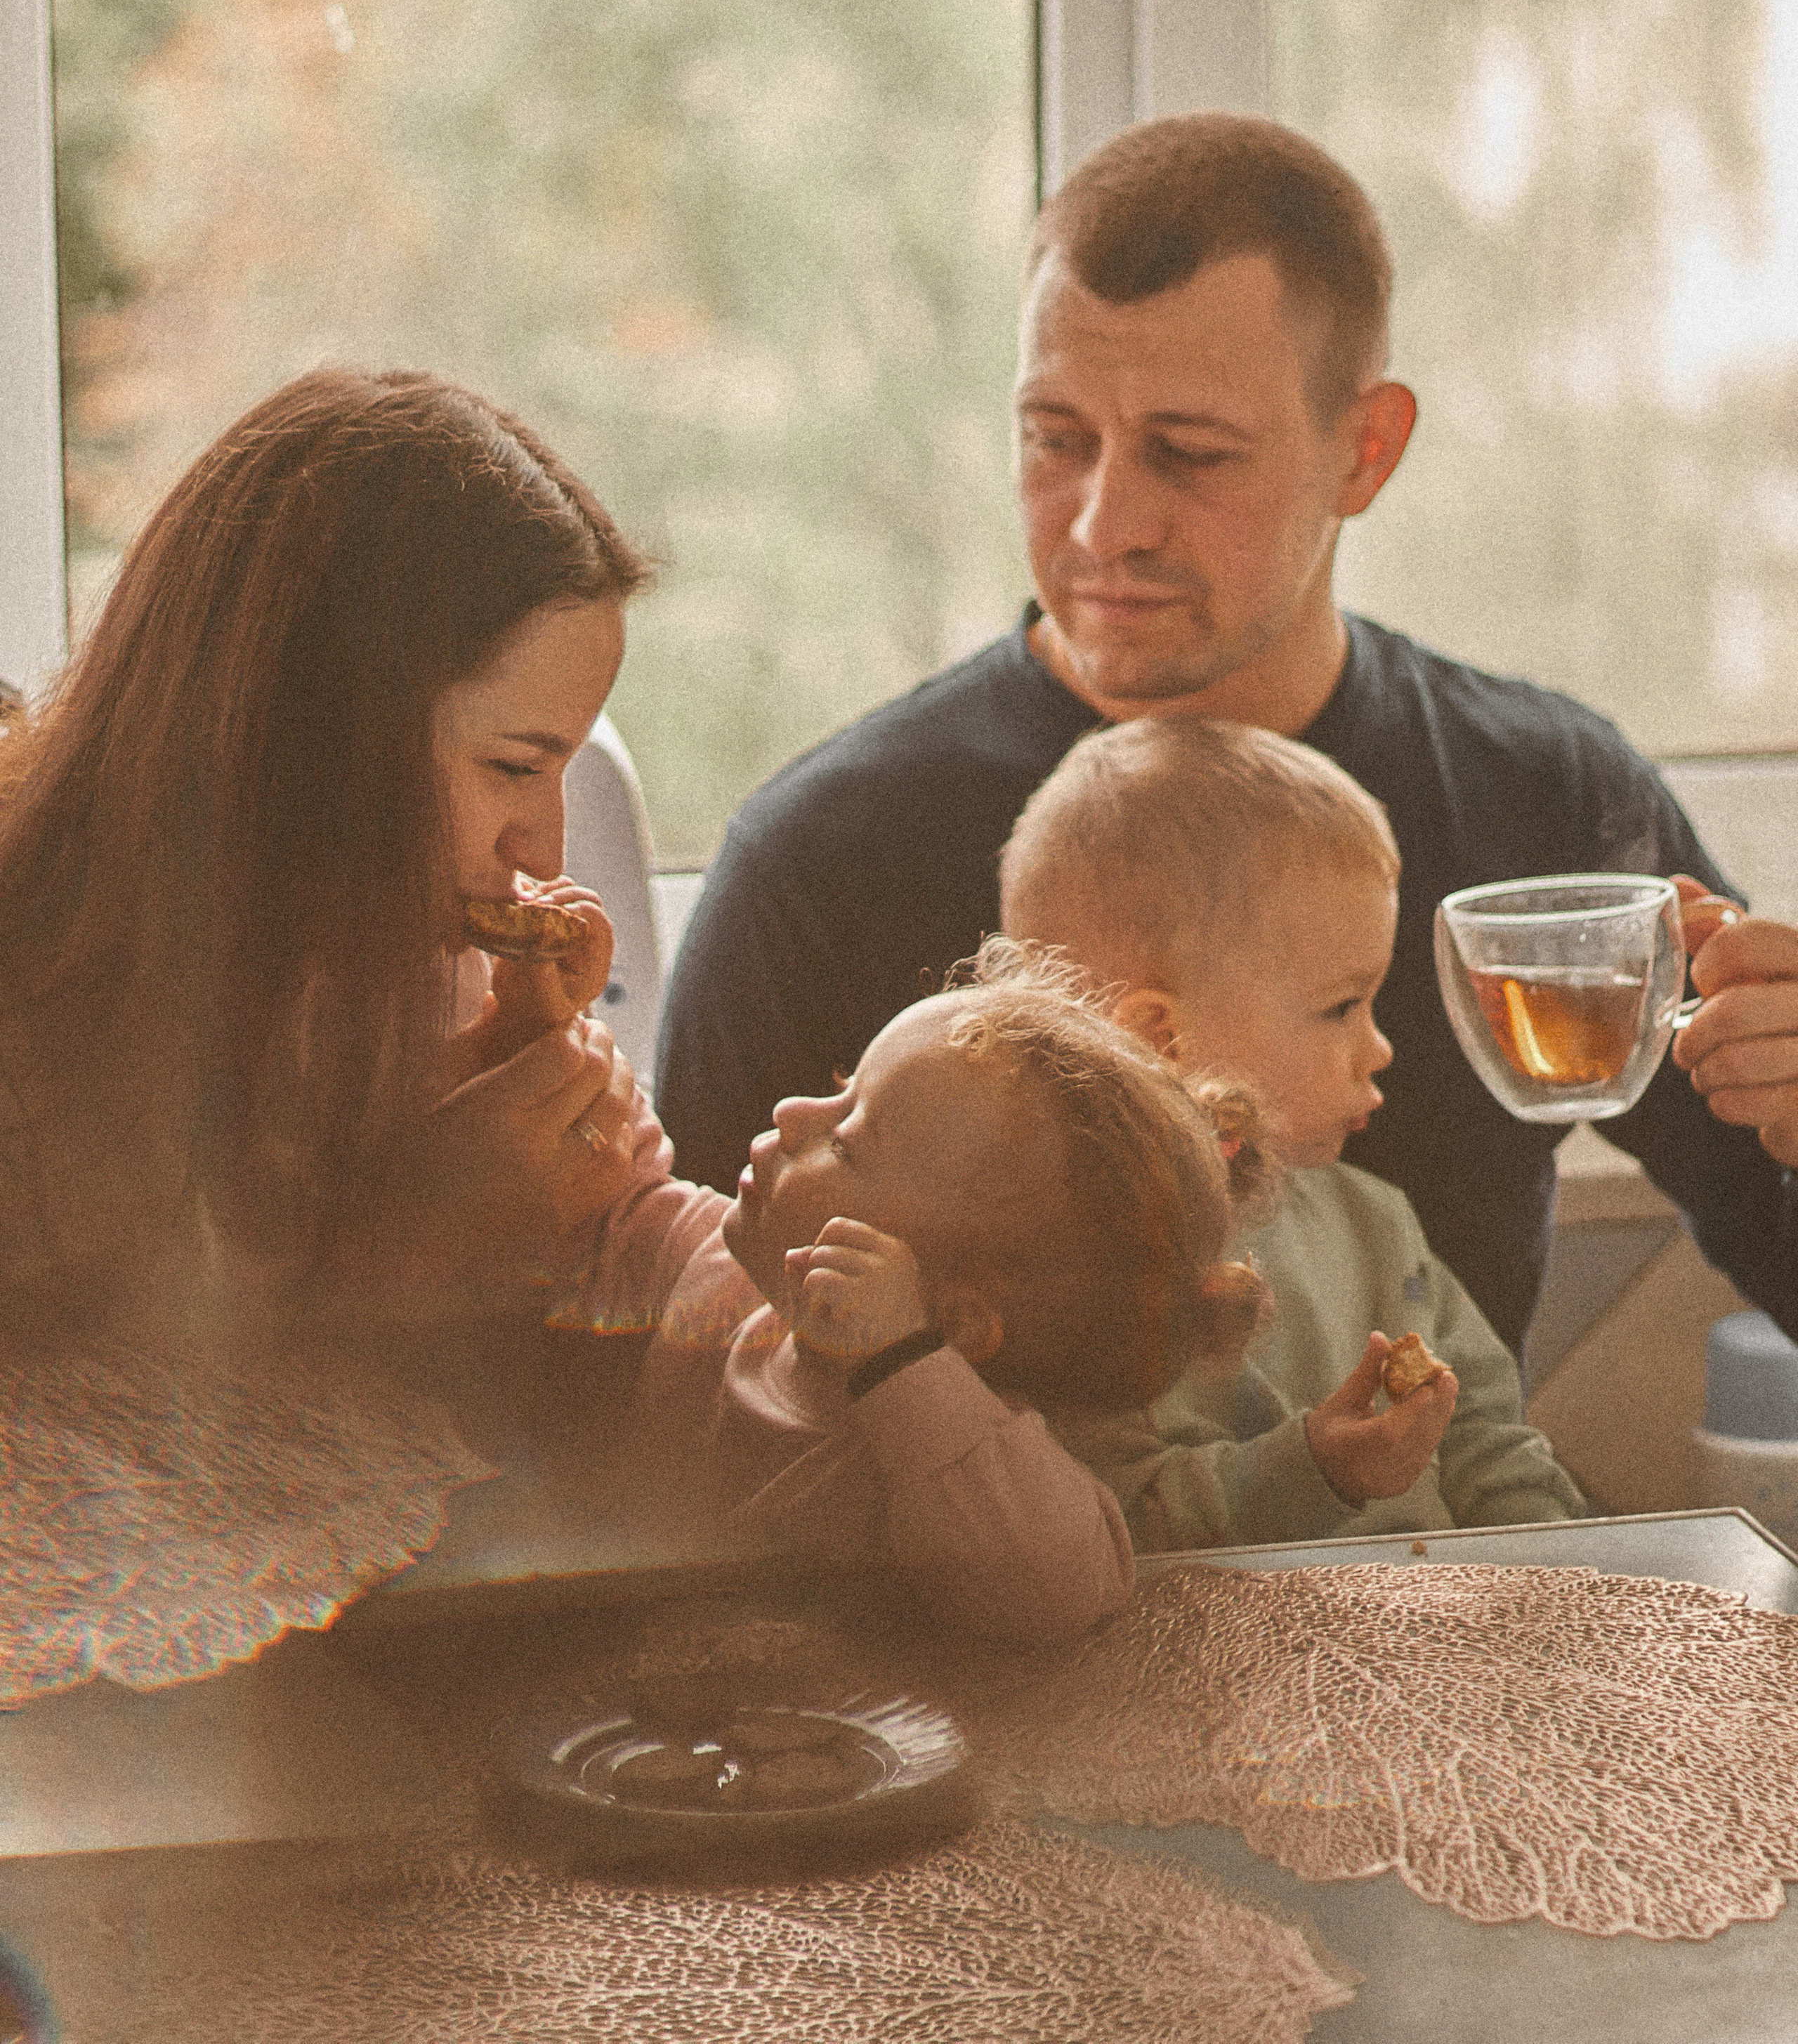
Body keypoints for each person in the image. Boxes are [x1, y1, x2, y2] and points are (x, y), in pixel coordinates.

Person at [655, 112, 1798, 1358]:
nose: (1103, 525)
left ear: (1365, 451)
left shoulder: (1547, 799)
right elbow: (686, 1391)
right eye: (1055, 440)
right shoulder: (819, 864)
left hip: (1452, 1549)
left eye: (1187, 455)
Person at [0, 367, 655, 1356]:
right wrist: (398, 1254)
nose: (544, 850)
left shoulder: (387, 977)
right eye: (514, 767)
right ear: (318, 732)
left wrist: (487, 1079)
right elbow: (90, 1439)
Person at [572, 941, 1270, 1644]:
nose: (790, 1112)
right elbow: (598, 1206)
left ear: (953, 1322)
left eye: (846, 1143)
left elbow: (1060, 1592)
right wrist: (547, 1027)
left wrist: (900, 1365)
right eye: (840, 1083)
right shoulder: (721, 1278)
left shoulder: (940, 1452)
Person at [1001, 716, 1584, 1546]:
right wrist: (1315, 1472)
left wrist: (1556, 1572)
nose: (1380, 1046)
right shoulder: (1073, 1274)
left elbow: (1487, 1439)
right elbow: (1121, 1520)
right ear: (1161, 1040)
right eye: (1340, 1007)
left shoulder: (1375, 1223)